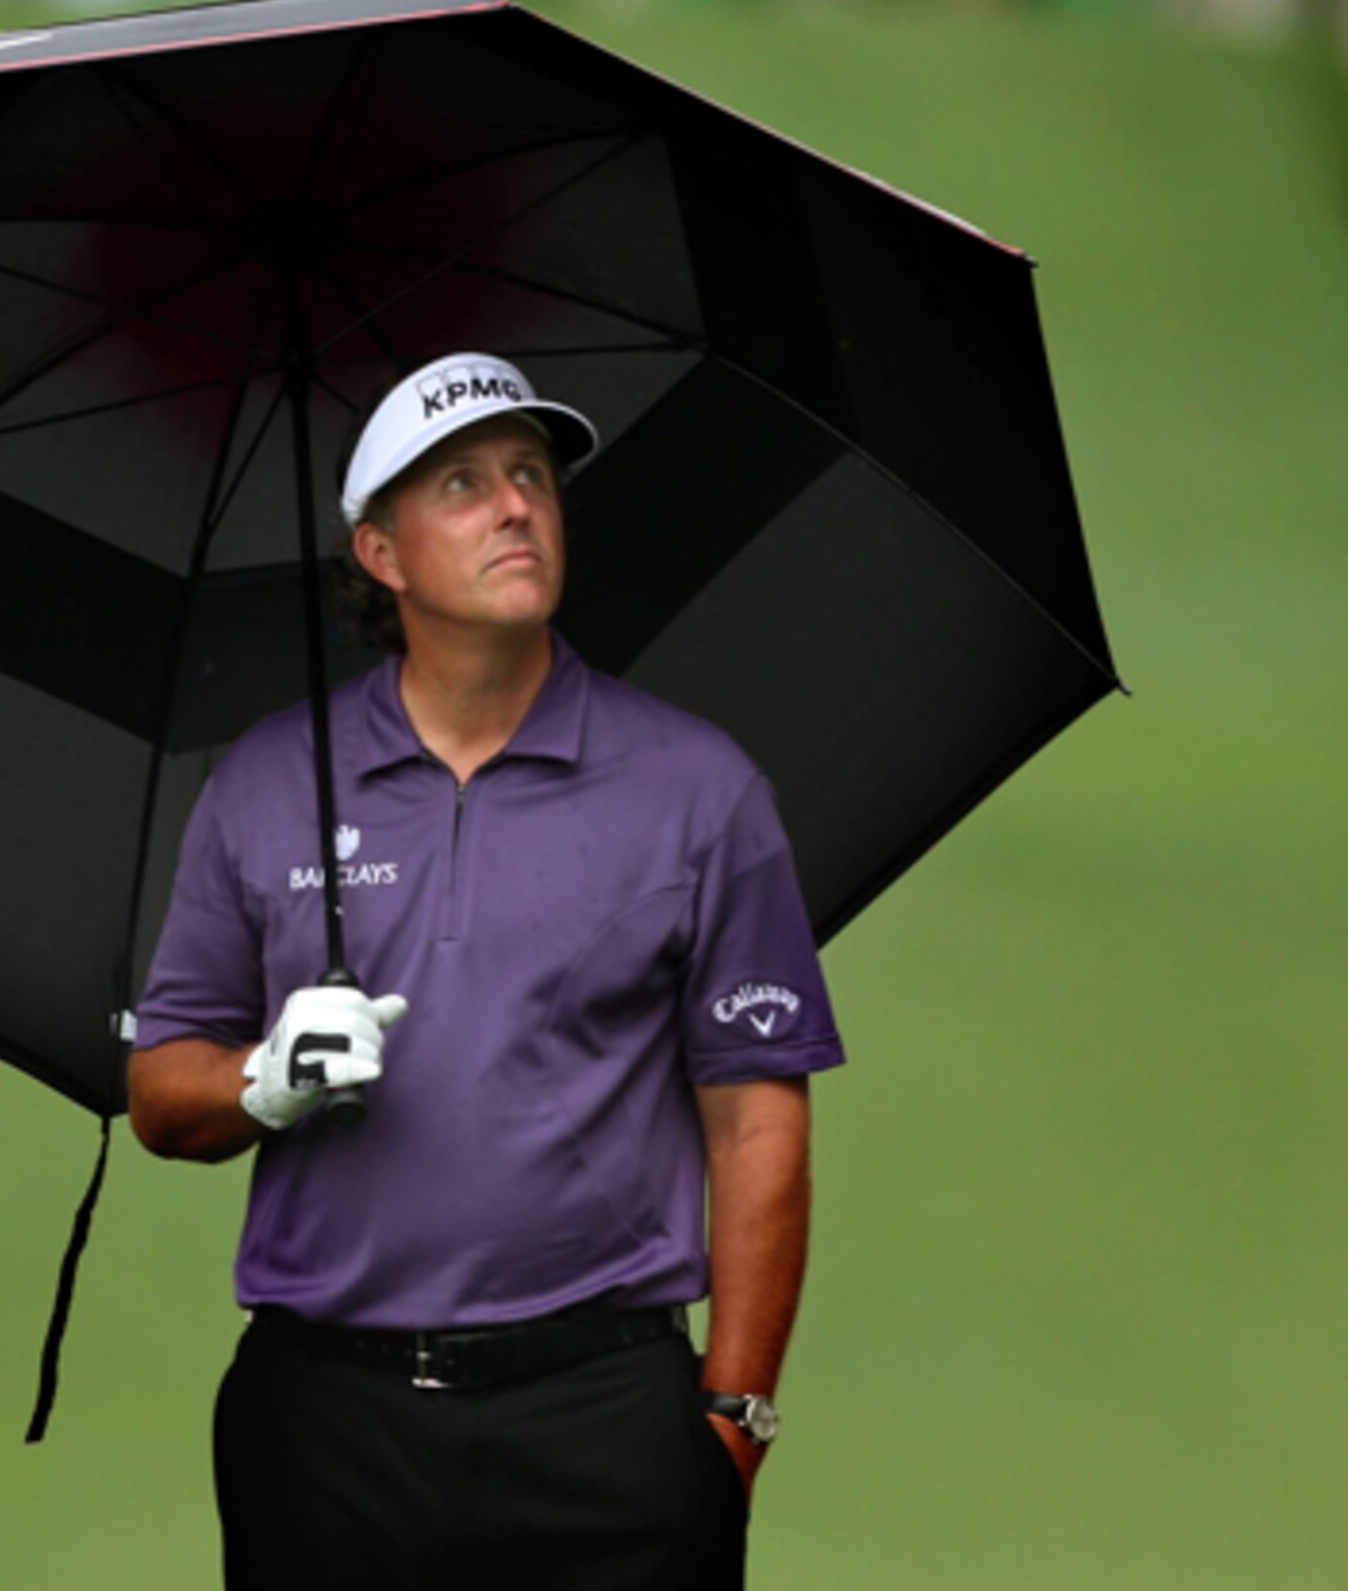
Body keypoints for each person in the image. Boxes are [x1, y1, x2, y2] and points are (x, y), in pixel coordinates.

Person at [128, 351, 844, 1591]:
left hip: (607, 1420)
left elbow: (756, 1119)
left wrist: (733, 1417)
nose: (517, 505)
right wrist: (261, 1081)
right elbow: (159, 1091)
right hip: (325, 1430)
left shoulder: (697, 789)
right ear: (382, 555)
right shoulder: (263, 781)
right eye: (462, 483)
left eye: (532, 475)